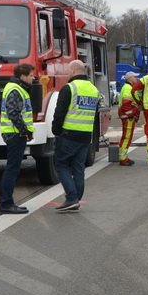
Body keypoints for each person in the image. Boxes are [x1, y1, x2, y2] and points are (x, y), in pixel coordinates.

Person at [51, 59, 99, 212]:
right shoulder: (93, 89)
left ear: (72, 71)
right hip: (85, 135)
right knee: (78, 167)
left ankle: (71, 198)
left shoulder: (69, 88)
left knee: (61, 164)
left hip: (69, 134)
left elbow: (60, 113)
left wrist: (56, 130)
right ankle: (76, 197)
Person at [0, 63, 35, 214]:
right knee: (12, 169)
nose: (33, 78)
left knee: (12, 169)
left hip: (14, 133)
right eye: (31, 75)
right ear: (23, 76)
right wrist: (24, 130)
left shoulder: (16, 88)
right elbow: (13, 113)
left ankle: (8, 202)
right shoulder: (16, 89)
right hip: (15, 134)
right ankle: (6, 203)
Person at [117, 72, 142, 166]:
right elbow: (126, 104)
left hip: (127, 116)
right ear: (130, 78)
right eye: (135, 77)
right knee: (127, 137)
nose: (137, 79)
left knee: (126, 137)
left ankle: (124, 157)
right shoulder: (128, 88)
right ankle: (123, 158)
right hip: (128, 117)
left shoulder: (127, 87)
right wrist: (131, 114)